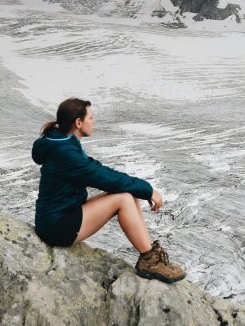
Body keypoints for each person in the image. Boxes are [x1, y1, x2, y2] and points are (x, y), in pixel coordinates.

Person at [32, 97, 186, 284]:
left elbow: (95, 168)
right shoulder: (65, 152)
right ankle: (149, 260)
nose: (94, 121)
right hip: (57, 227)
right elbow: (103, 178)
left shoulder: (61, 142)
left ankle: (150, 255)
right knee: (123, 199)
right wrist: (148, 190)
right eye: (91, 117)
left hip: (60, 215)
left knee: (129, 194)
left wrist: (140, 189)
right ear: (78, 122)